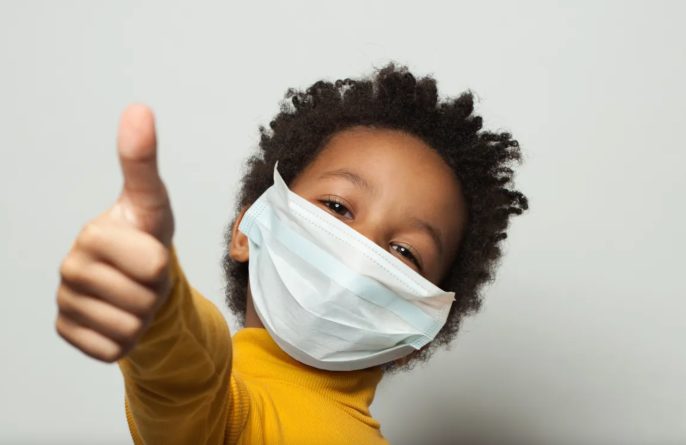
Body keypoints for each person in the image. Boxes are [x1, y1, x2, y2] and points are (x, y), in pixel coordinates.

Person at [54, 64, 528, 444]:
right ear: (248, 229)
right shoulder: (230, 415)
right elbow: (184, 384)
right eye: (337, 206)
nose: (359, 255)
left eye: (405, 251)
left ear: (422, 327)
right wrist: (160, 310)